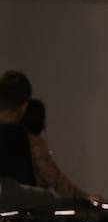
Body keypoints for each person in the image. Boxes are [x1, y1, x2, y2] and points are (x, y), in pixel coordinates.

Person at [0, 71, 90, 200]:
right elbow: (54, 178)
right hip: (24, 211)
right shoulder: (31, 142)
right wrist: (84, 198)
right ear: (24, 105)